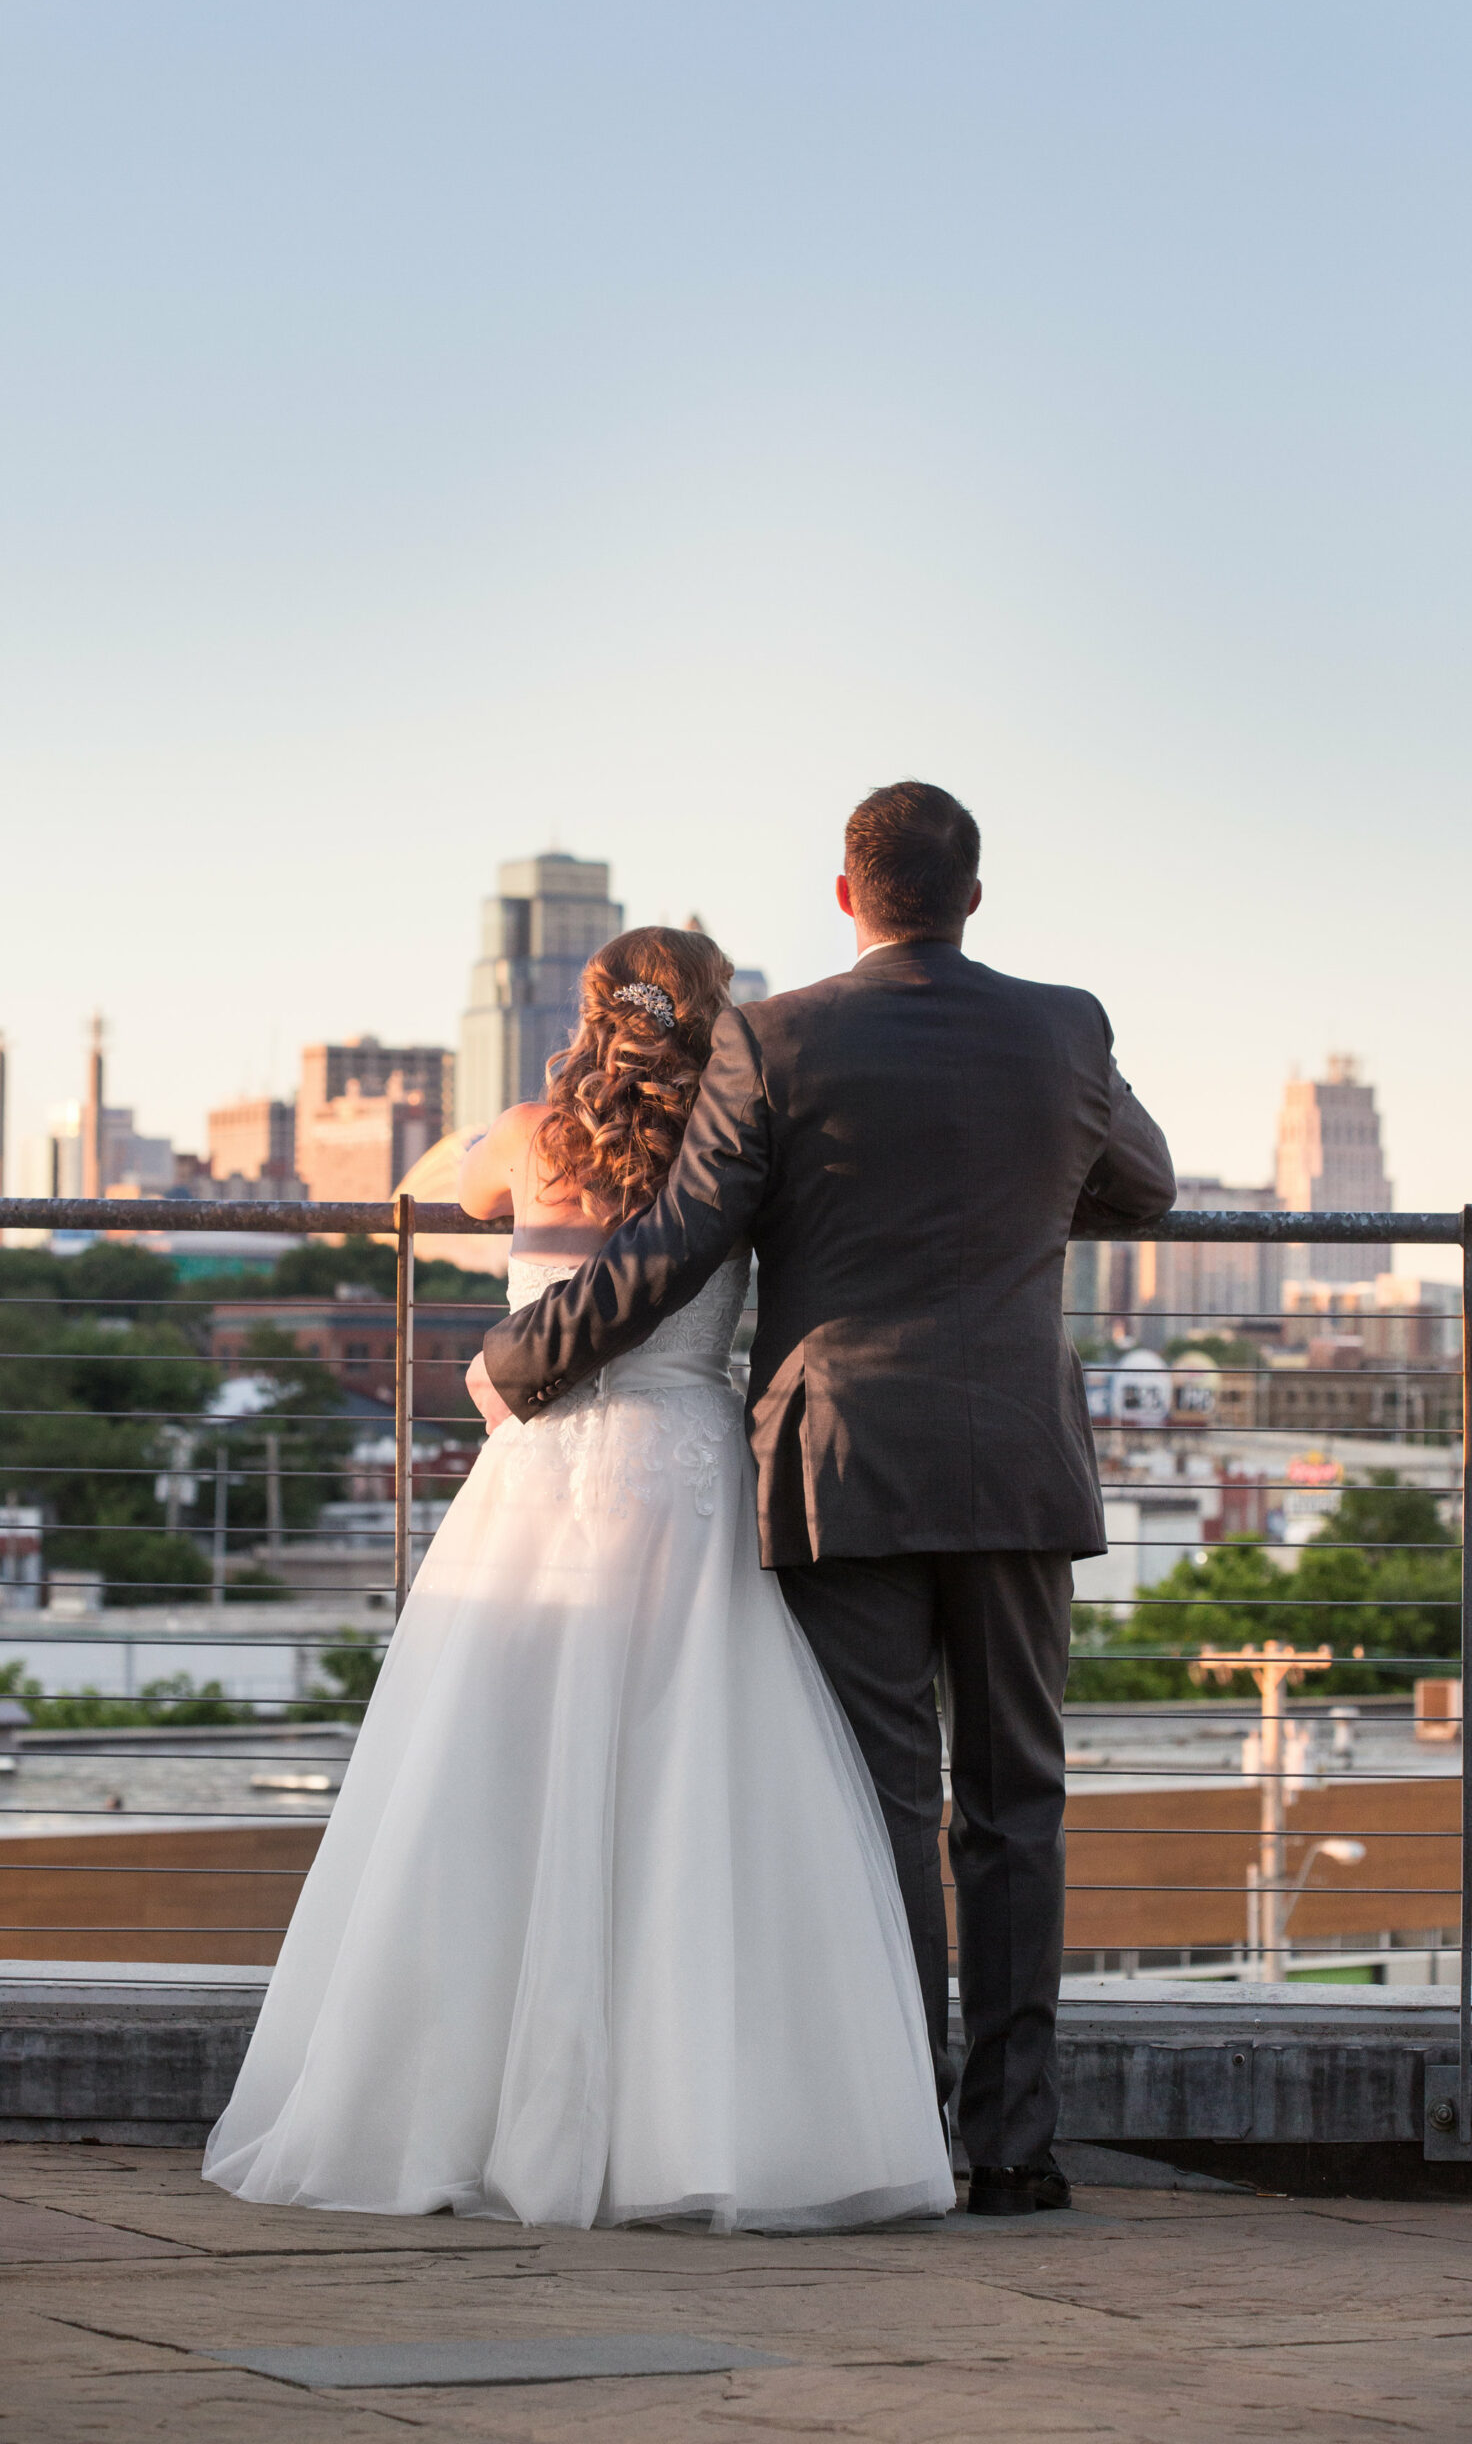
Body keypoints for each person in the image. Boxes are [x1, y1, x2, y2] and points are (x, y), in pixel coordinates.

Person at [477, 782, 1176, 2215]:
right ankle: (1018, 2151)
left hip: (840, 1457)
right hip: (1017, 1462)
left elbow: (678, 1243)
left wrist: (523, 1355)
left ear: (845, 895)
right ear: (973, 895)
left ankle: (895, 2130)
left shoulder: (777, 1036)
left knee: (878, 1806)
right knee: (1015, 1806)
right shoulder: (1068, 1025)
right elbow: (1146, 1190)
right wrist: (1022, 1193)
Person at [204, 920, 954, 2232]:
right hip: (688, 1471)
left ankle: (475, 2113)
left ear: (590, 1013)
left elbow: (431, 1180)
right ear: (716, 1018)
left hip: (543, 1475)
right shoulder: (740, 1150)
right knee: (692, 1788)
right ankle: (700, 2120)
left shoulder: (520, 1135)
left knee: (501, 1780)